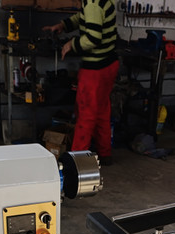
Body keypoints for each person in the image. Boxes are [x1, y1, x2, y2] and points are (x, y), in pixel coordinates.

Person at [43, 0, 118, 165]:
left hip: (95, 69)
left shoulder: (92, 3)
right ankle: (105, 154)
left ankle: (77, 162)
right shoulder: (93, 2)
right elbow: (85, 16)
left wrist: (72, 44)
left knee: (85, 115)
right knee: (101, 111)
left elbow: (92, 38)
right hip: (108, 64)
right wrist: (63, 25)